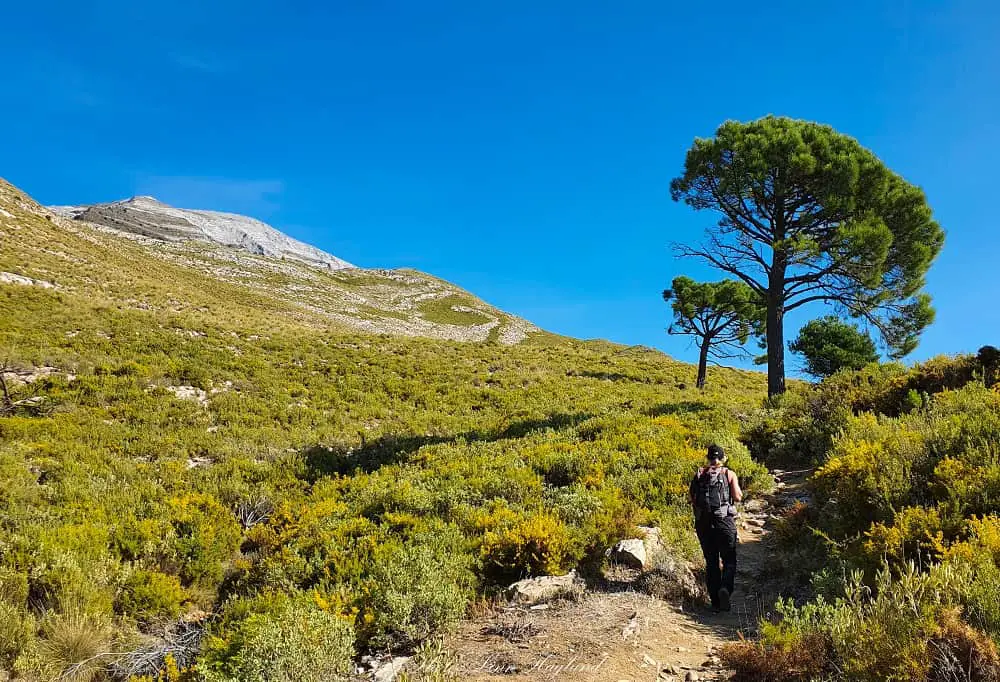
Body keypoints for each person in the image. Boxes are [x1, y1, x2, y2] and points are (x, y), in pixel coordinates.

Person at [689, 444, 742, 612]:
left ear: (708, 458)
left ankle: (715, 603)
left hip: (704, 523)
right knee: (729, 559)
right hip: (724, 521)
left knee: (711, 561)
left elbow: (692, 498)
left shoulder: (700, 474)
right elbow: (738, 497)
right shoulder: (728, 473)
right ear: (723, 458)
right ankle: (725, 588)